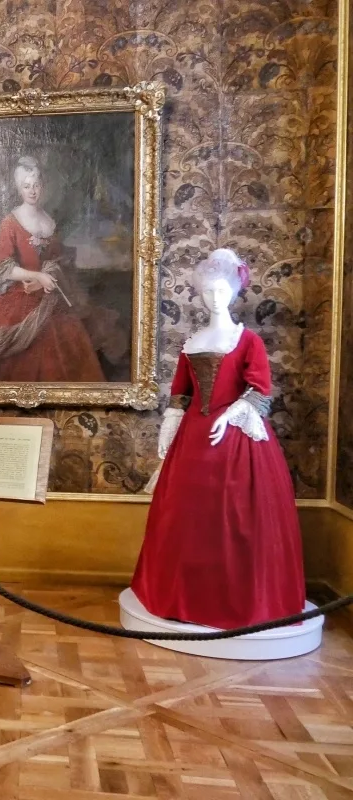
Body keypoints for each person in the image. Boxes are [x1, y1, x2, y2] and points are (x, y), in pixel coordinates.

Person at [131, 248, 305, 628]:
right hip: (193, 438)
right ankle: (181, 597)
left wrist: (231, 415)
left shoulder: (248, 342)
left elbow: (260, 390)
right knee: (185, 518)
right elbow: (180, 393)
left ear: (234, 290)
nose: (214, 298)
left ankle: (239, 603)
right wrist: (169, 427)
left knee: (238, 518)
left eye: (221, 290)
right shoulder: (192, 342)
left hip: (237, 441)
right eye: (207, 291)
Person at [0, 157, 107, 382]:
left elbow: (57, 261)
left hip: (47, 293)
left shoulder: (50, 221)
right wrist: (36, 275)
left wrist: (48, 276)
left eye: (36, 185)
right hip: (16, 294)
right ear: (19, 189)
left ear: (43, 186)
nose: (32, 191)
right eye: (26, 186)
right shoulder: (10, 222)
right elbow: (3, 268)